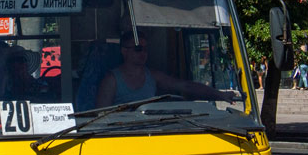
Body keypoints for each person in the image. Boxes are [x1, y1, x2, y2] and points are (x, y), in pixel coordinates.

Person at [96, 31, 235, 107]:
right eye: (138, 49)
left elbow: (185, 86)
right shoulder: (111, 80)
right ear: (124, 51)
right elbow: (101, 117)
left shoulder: (153, 76)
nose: (143, 53)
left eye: (145, 49)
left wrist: (220, 95)